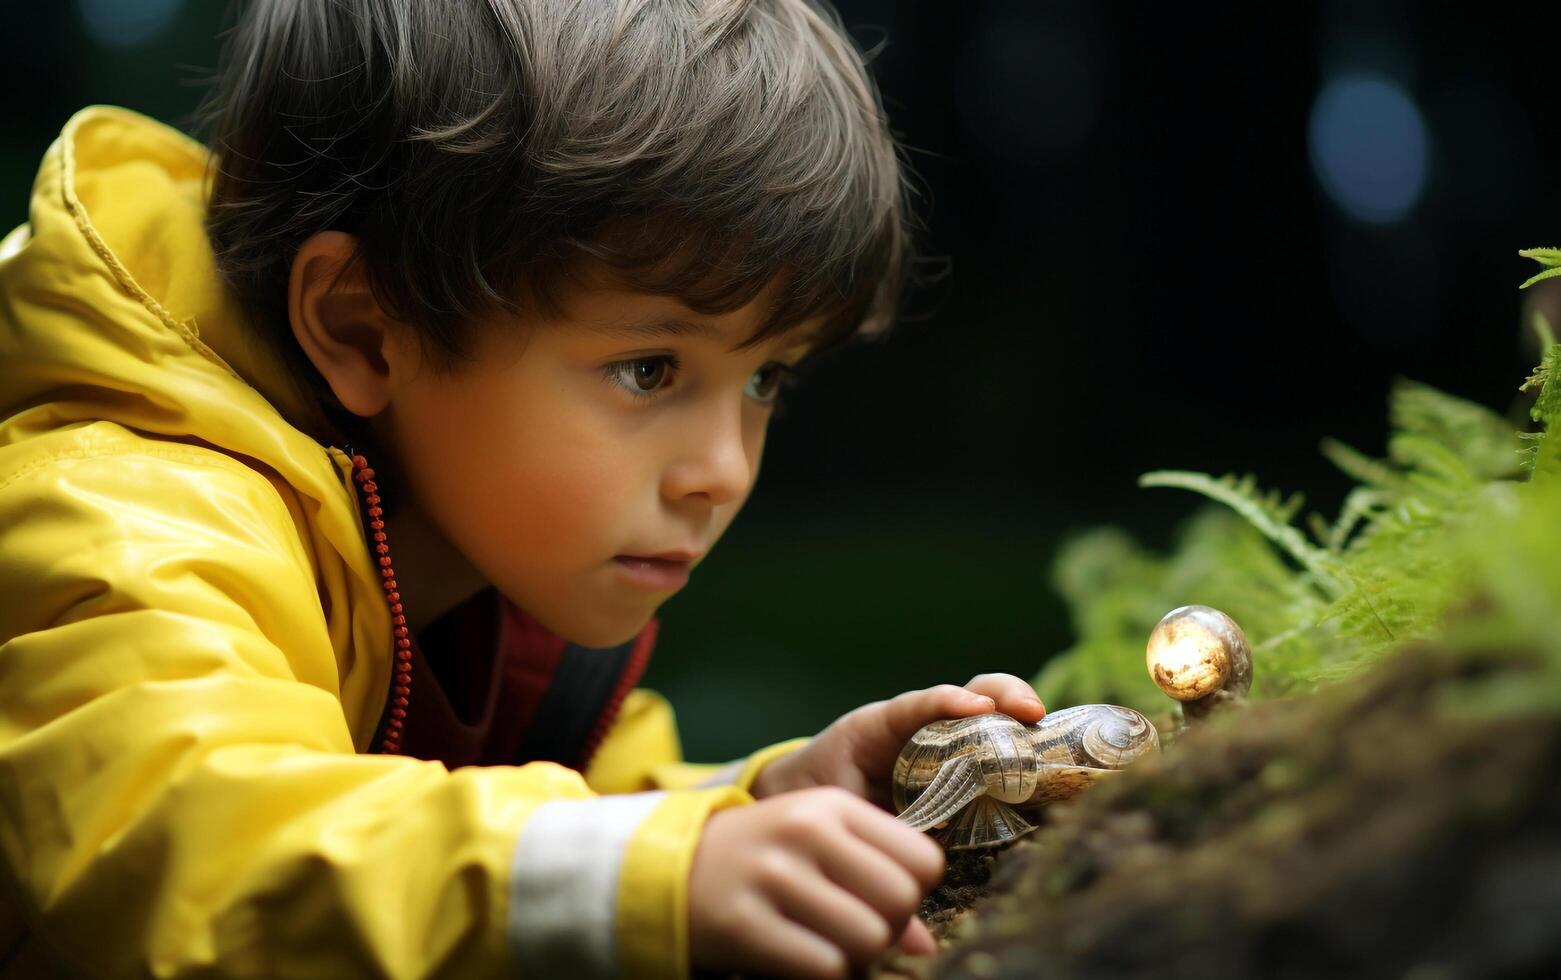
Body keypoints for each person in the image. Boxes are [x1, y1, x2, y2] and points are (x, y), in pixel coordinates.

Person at [0, 1, 1047, 977]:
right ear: (363, 324)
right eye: (649, 369)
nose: (723, 471)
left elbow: (559, 807)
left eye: (767, 377)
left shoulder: (489, 542)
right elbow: (186, 845)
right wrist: (648, 872)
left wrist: (759, 801)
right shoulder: (124, 521)